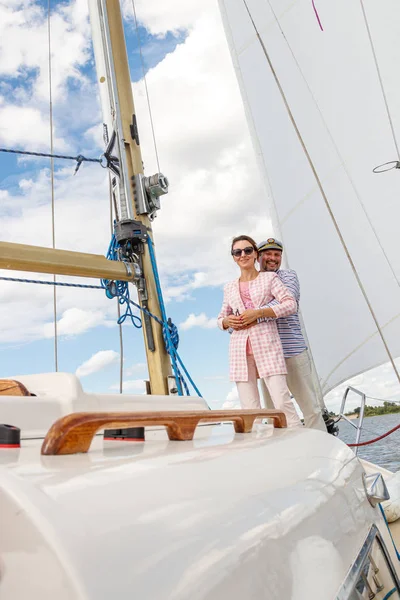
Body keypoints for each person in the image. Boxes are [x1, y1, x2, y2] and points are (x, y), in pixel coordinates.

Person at [217, 235, 302, 427]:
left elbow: (290, 304)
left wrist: (259, 313)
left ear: (255, 254)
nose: (243, 255)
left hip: (268, 346)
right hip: (239, 349)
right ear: (233, 257)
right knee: (250, 408)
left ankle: (299, 442)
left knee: (282, 402)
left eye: (247, 250)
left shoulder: (270, 278)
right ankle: (260, 448)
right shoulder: (229, 287)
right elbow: (220, 318)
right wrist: (226, 321)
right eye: (237, 252)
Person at [256, 238, 327, 432]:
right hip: (267, 356)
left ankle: (320, 449)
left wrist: (254, 314)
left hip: (293, 350)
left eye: (277, 254)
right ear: (258, 257)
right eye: (268, 254)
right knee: (273, 412)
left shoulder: (287, 276)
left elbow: (288, 303)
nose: (273, 258)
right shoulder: (251, 284)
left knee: (310, 408)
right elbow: (234, 320)